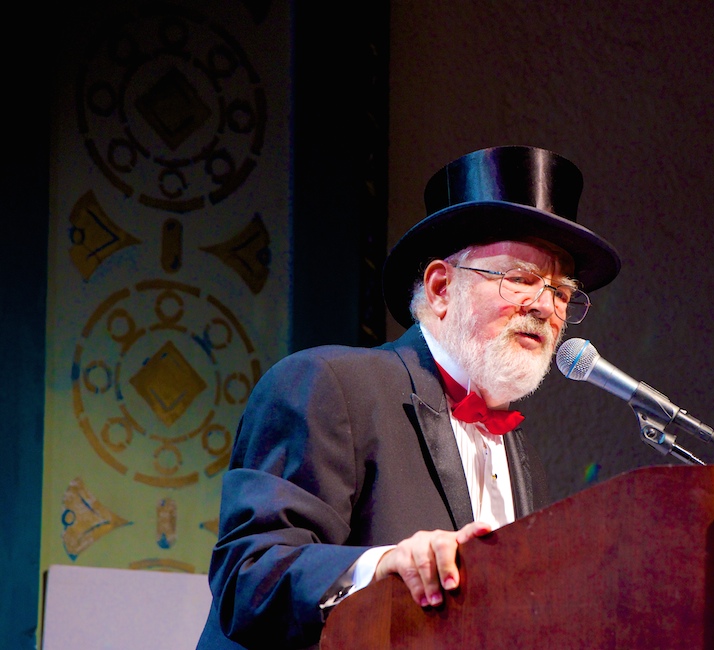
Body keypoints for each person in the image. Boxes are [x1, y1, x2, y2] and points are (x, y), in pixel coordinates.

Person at [196, 145, 621, 649]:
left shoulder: (519, 449)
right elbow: (249, 578)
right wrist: (382, 566)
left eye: (561, 292)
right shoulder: (327, 384)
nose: (544, 307)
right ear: (441, 288)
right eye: (520, 280)